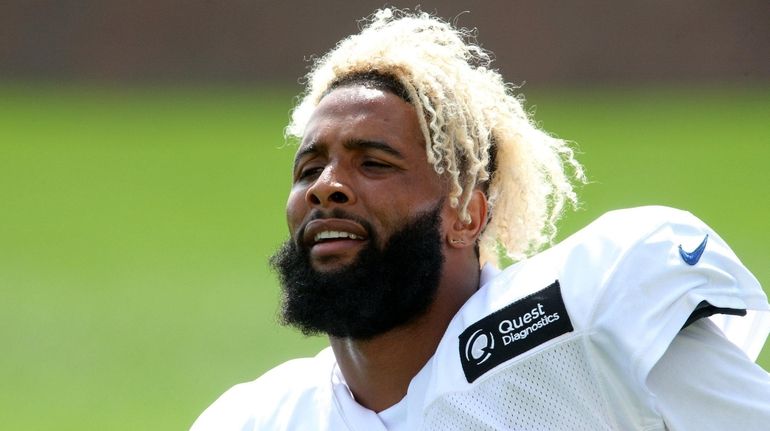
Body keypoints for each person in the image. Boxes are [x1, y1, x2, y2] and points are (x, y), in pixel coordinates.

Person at [192, 8, 770, 430]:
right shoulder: (253, 420)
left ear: (466, 214)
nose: (327, 188)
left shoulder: (591, 323)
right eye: (309, 168)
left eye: (373, 162)